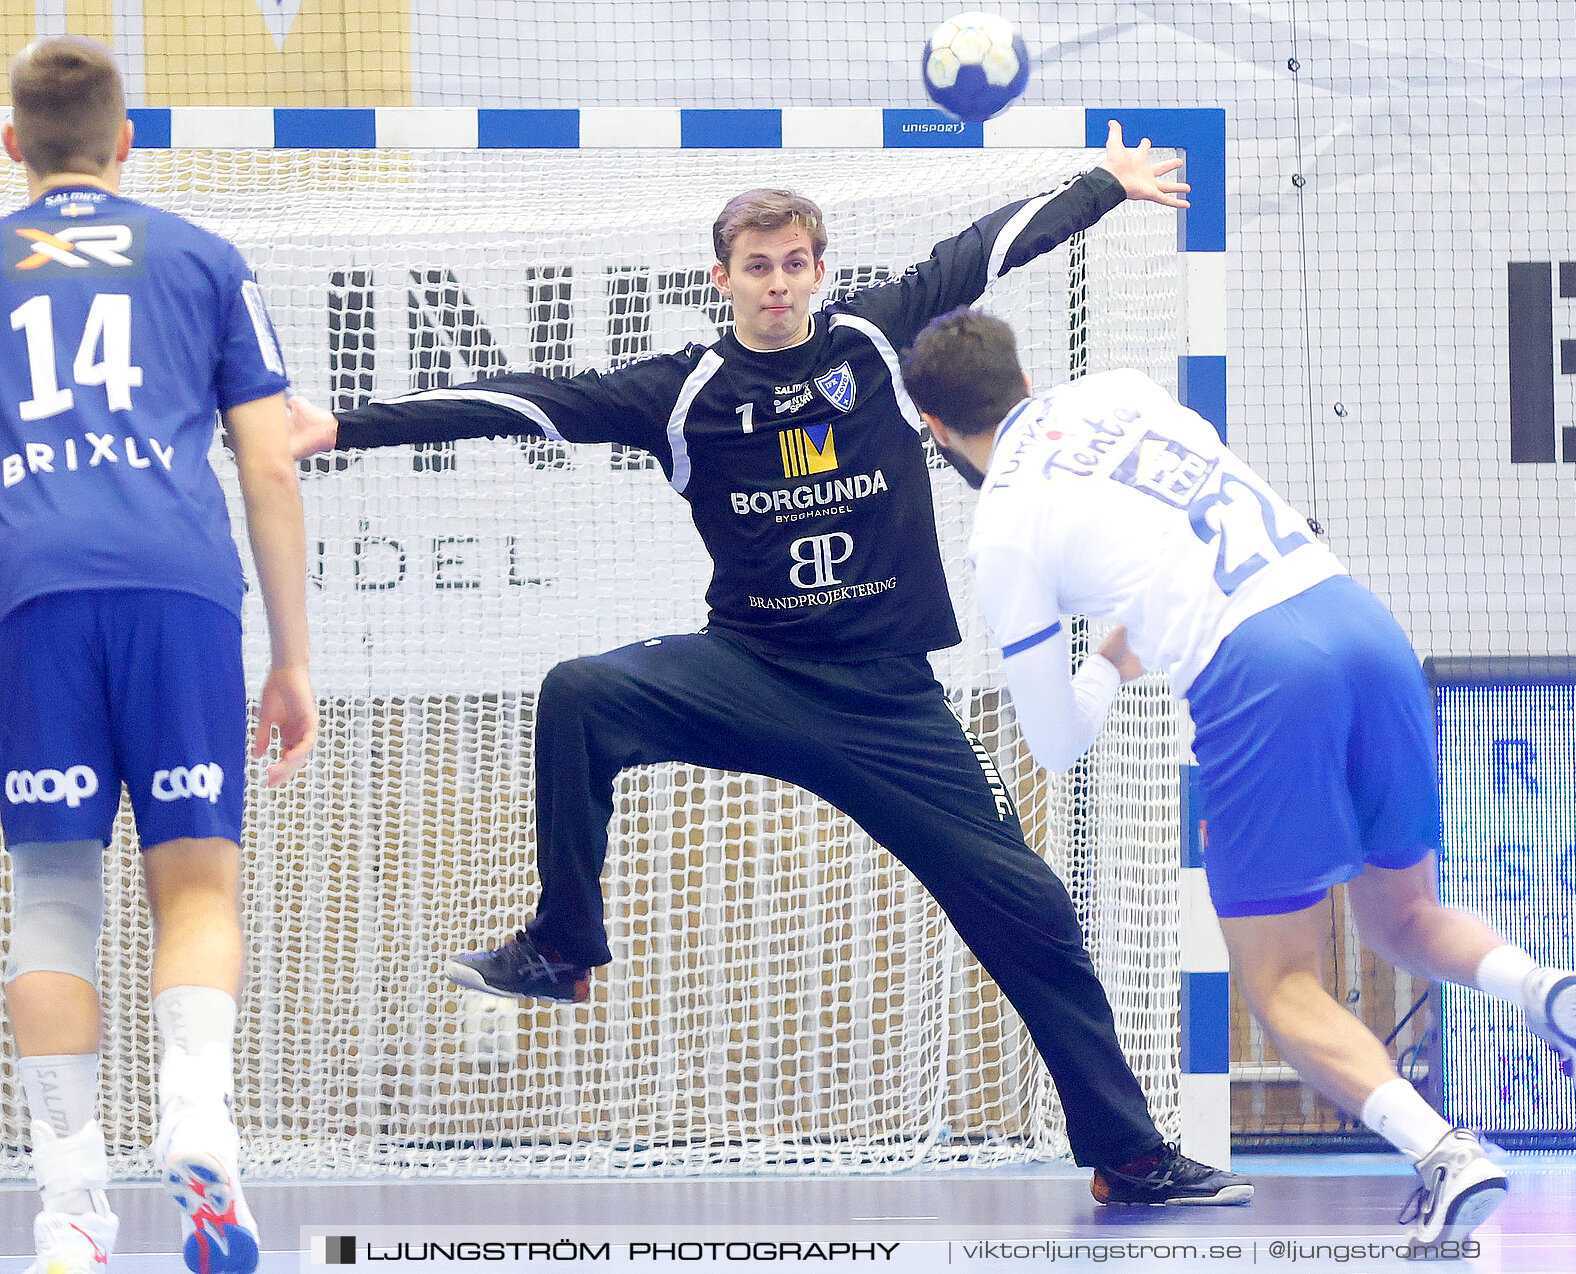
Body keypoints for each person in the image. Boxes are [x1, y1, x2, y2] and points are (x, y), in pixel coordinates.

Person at [286, 124, 1251, 1206]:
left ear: (819, 272)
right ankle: (563, 944)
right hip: (751, 671)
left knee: (1028, 903)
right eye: (759, 266)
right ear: (723, 278)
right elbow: (523, 400)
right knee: (579, 691)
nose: (780, 284)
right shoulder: (683, 391)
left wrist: (1103, 186)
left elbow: (986, 248)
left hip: (888, 697)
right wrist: (340, 427)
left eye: (797, 264)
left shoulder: (875, 341)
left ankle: (1126, 1152)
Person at [898, 307, 1576, 1243]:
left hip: (1257, 672)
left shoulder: (1002, 526)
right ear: (1023, 370)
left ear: (933, 428)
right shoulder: (1119, 392)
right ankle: (1543, 987)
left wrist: (1106, 665)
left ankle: (1449, 1156)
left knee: (1284, 985)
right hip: (1359, 621)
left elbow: (1052, 741)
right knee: (1403, 916)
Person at [0, 35, 315, 1274]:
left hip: (30, 594)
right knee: (195, 888)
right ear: (128, 143)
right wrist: (292, 656)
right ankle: (198, 1114)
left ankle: (70, 1205)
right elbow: (272, 461)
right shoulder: (202, 257)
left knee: (53, 901)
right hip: (182, 593)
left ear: (14, 144)